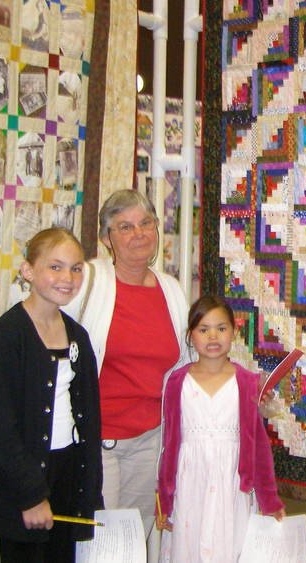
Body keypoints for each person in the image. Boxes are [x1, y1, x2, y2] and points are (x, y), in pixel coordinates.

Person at [0, 227, 102, 562]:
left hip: (67, 470)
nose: (67, 278)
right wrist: (31, 495)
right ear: (28, 271)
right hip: (26, 478)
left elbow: (88, 417)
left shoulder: (76, 335)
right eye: (55, 267)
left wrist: (88, 488)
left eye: (76, 268)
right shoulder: (9, 337)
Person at [62, 189, 189, 538]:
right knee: (99, 539)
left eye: (146, 223)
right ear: (107, 238)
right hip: (99, 439)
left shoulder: (171, 290)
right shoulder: (87, 281)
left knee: (133, 536)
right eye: (125, 227)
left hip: (150, 440)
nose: (139, 234)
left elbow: (186, 364)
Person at [157, 295, 285, 562]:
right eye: (204, 329)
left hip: (232, 487)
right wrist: (164, 500)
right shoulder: (177, 381)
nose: (213, 336)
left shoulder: (248, 382)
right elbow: (169, 445)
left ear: (234, 332)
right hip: (190, 485)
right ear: (191, 335)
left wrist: (269, 500)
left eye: (221, 328)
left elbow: (258, 447)